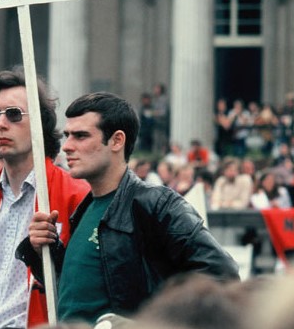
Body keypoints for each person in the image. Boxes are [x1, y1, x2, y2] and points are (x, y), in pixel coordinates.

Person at [20, 92, 239, 325]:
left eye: (80, 136)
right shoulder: (84, 210)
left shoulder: (155, 204)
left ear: (117, 140)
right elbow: (76, 291)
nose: (67, 147)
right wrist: (42, 250)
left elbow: (223, 276)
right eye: (67, 136)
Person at [0, 67, 90, 329]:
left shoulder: (75, 194)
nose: (0, 124)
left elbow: (83, 288)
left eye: (13, 114)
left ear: (41, 122)